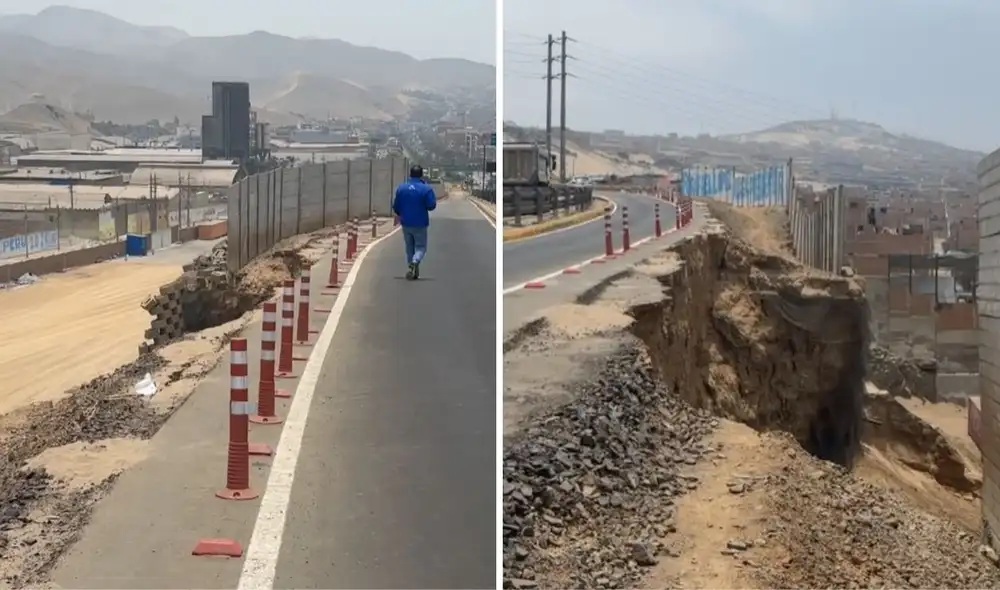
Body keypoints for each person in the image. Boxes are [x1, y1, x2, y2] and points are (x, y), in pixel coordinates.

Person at [392, 165, 437, 280]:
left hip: (406, 222)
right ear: (421, 175)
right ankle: (415, 261)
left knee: (409, 247)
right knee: (421, 247)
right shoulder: (426, 189)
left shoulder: (401, 188)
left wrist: (401, 213)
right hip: (420, 223)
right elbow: (431, 205)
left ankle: (411, 268)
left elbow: (396, 206)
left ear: (410, 174)